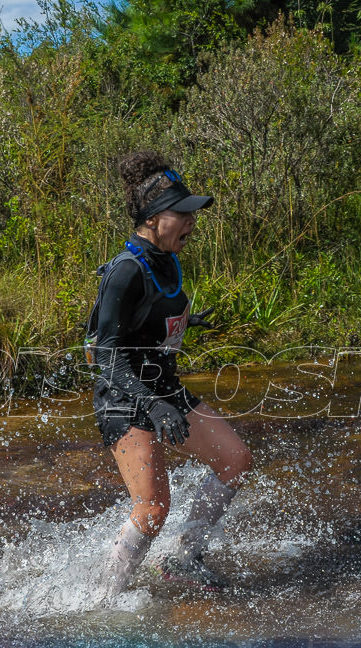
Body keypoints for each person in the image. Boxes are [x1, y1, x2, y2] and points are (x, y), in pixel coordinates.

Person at [91, 150, 252, 597]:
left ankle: (181, 561)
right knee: (152, 509)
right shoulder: (125, 271)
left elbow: (148, 318)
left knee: (235, 460)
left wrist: (185, 321)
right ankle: (101, 600)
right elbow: (105, 357)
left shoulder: (167, 258)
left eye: (191, 213)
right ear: (152, 217)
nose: (191, 222)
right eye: (181, 214)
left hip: (162, 388)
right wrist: (153, 405)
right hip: (125, 399)